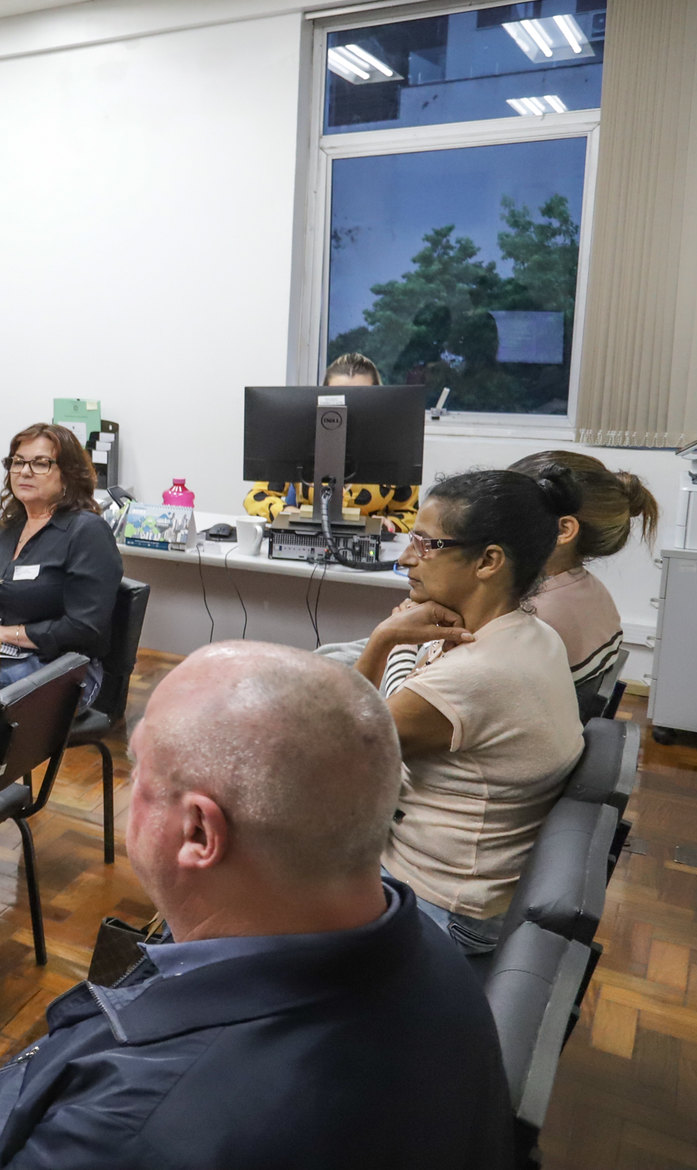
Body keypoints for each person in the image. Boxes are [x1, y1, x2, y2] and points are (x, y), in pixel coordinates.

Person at [0, 643, 514, 1170]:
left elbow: (130, 1121)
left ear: (200, 833)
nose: (125, 782)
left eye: (140, 769)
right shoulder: (427, 947)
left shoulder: (134, 1126)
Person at [356, 469, 586, 955]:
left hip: (439, 907)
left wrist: (384, 638)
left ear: (488, 561)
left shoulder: (475, 678)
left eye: (426, 543)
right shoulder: (532, 634)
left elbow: (333, 747)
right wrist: (402, 638)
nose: (406, 557)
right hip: (473, 890)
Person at [0, 423, 122, 703]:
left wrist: (9, 634)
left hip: (61, 667)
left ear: (68, 475)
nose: (24, 471)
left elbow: (86, 629)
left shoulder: (87, 531)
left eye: (41, 463)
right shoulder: (3, 530)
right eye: (18, 462)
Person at [507, 450, 660, 687]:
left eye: (506, 512)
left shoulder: (535, 618)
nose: (493, 521)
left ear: (562, 530)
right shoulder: (591, 589)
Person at [243, 352, 419, 533]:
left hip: (370, 544)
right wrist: (287, 512)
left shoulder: (394, 444)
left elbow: (409, 513)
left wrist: (391, 523)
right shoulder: (300, 438)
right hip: (311, 538)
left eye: (361, 397)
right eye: (339, 396)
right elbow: (257, 498)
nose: (349, 407)